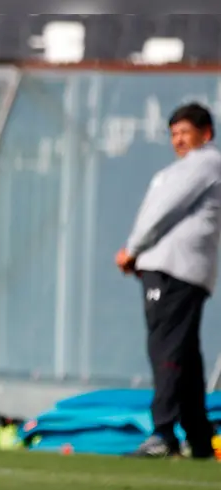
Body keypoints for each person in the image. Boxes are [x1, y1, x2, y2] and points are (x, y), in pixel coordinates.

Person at [116, 102, 221, 459]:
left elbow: (164, 210)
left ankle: (163, 434)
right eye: (173, 134)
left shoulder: (204, 162)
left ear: (205, 133)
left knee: (165, 349)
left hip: (175, 270)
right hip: (180, 270)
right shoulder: (185, 168)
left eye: (184, 132)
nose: (178, 140)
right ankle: (199, 438)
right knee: (186, 355)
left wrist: (133, 249)